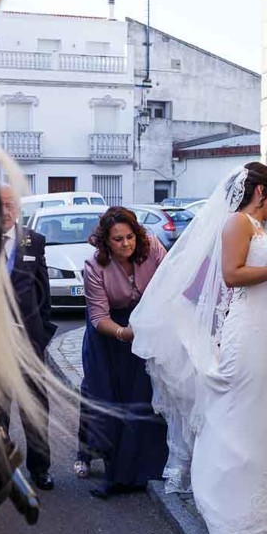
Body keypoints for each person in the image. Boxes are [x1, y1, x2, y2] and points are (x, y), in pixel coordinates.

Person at [132, 167, 267, 496]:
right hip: (250, 325)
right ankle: (227, 489)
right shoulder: (238, 223)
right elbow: (232, 274)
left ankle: (259, 484)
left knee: (262, 409)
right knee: (239, 403)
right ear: (259, 191)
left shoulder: (259, 227)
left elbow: (263, 275)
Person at [79, 207, 168, 498]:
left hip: (146, 326)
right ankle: (109, 467)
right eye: (118, 239)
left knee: (144, 397)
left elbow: (171, 282)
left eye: (129, 237)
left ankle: (146, 469)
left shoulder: (152, 247)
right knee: (106, 398)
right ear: (106, 241)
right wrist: (124, 333)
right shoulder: (94, 266)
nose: (126, 244)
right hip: (109, 334)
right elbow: (98, 317)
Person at [0, 185, 57, 490]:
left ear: (18, 208)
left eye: (9, 205)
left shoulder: (34, 242)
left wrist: (42, 334)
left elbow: (43, 293)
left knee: (34, 408)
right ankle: (0, 468)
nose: (4, 211)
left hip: (29, 343)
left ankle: (40, 468)